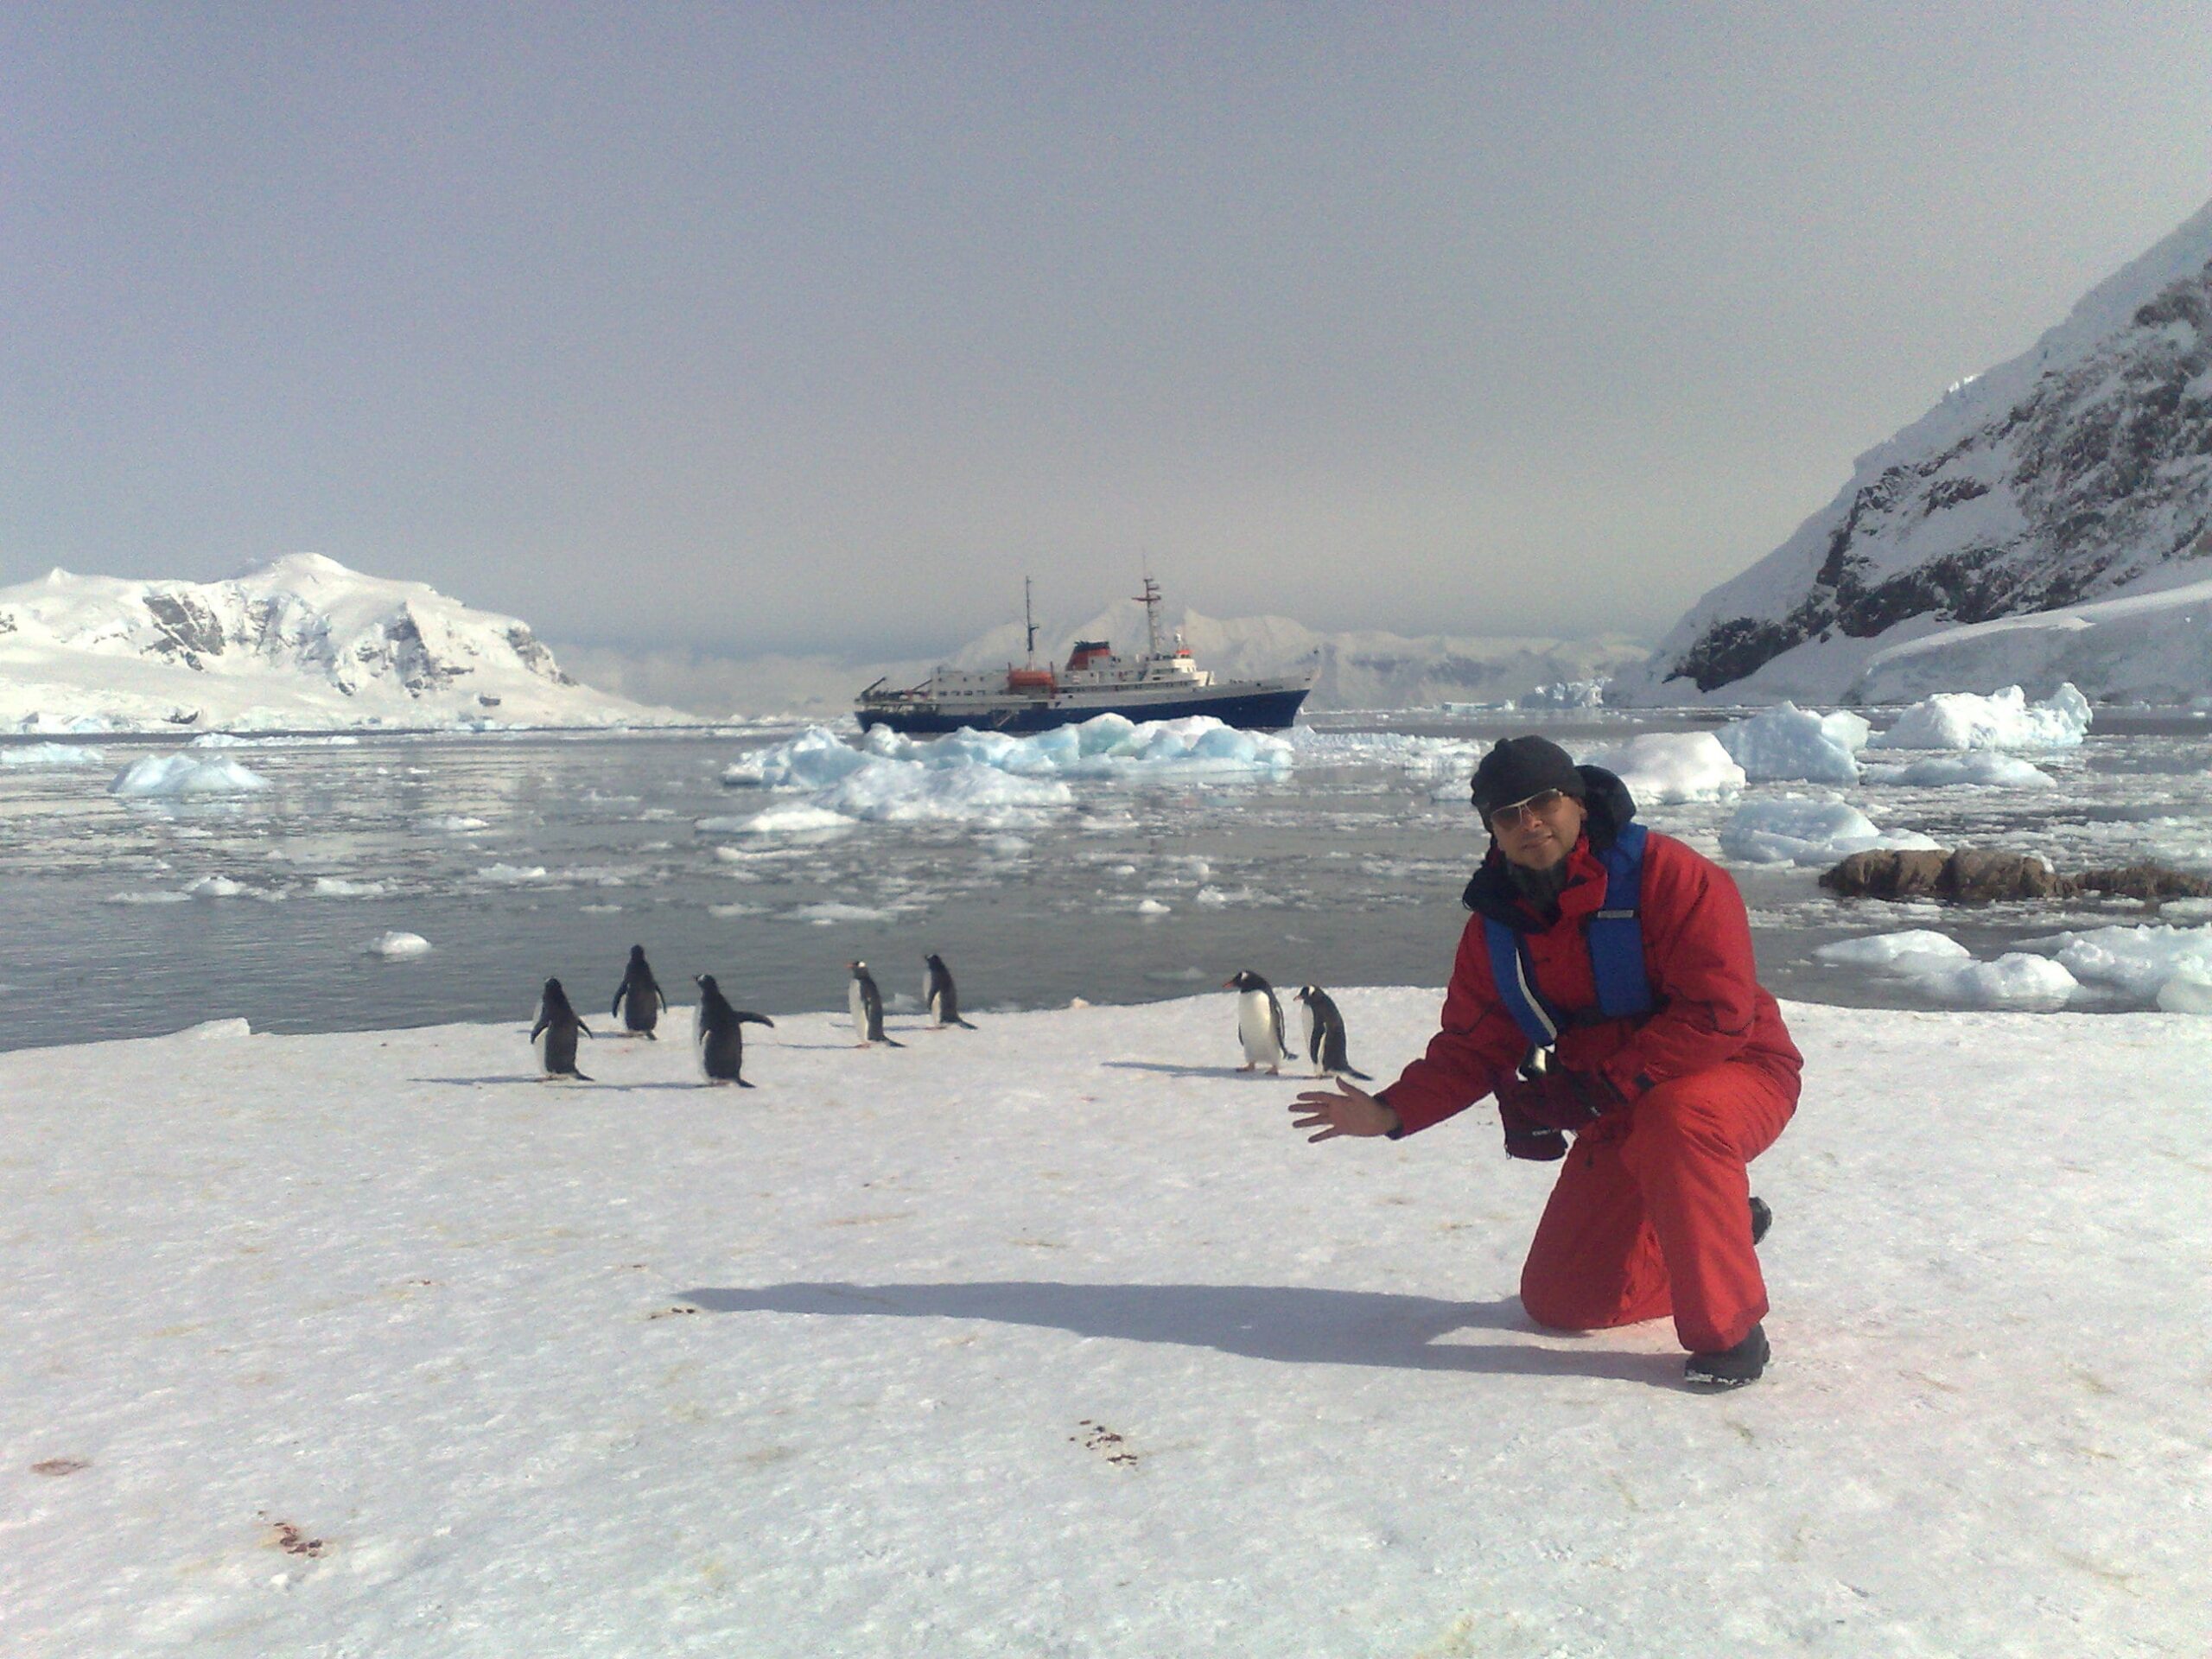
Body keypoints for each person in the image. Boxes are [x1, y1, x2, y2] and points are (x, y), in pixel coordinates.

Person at [1291, 735, 1801, 1389]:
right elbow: (1474, 1045)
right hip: (1617, 1096)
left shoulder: (1673, 877)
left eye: (1543, 802)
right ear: (1493, 832)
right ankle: (1720, 1225)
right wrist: (1390, 1111)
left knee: (1679, 1119)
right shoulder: (1497, 928)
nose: (1529, 822)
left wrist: (1602, 1088)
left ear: (1578, 803)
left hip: (1733, 1070)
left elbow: (1719, 1013)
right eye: (1508, 814)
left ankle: (1729, 1335)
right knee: (1562, 1302)